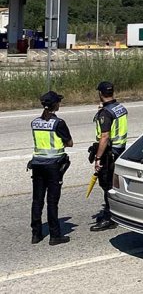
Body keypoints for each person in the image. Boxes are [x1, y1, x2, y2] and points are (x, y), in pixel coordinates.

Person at [30, 91, 73, 245]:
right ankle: (55, 236)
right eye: (58, 102)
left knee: (37, 200)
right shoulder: (58, 123)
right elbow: (69, 143)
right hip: (53, 166)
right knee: (52, 201)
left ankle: (36, 234)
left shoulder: (34, 122)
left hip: (37, 164)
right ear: (55, 105)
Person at [90, 81, 128, 231]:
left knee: (107, 185)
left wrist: (98, 158)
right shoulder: (120, 107)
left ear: (100, 93)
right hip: (120, 149)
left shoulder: (106, 113)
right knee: (112, 184)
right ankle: (112, 212)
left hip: (109, 153)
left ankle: (109, 218)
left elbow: (105, 136)